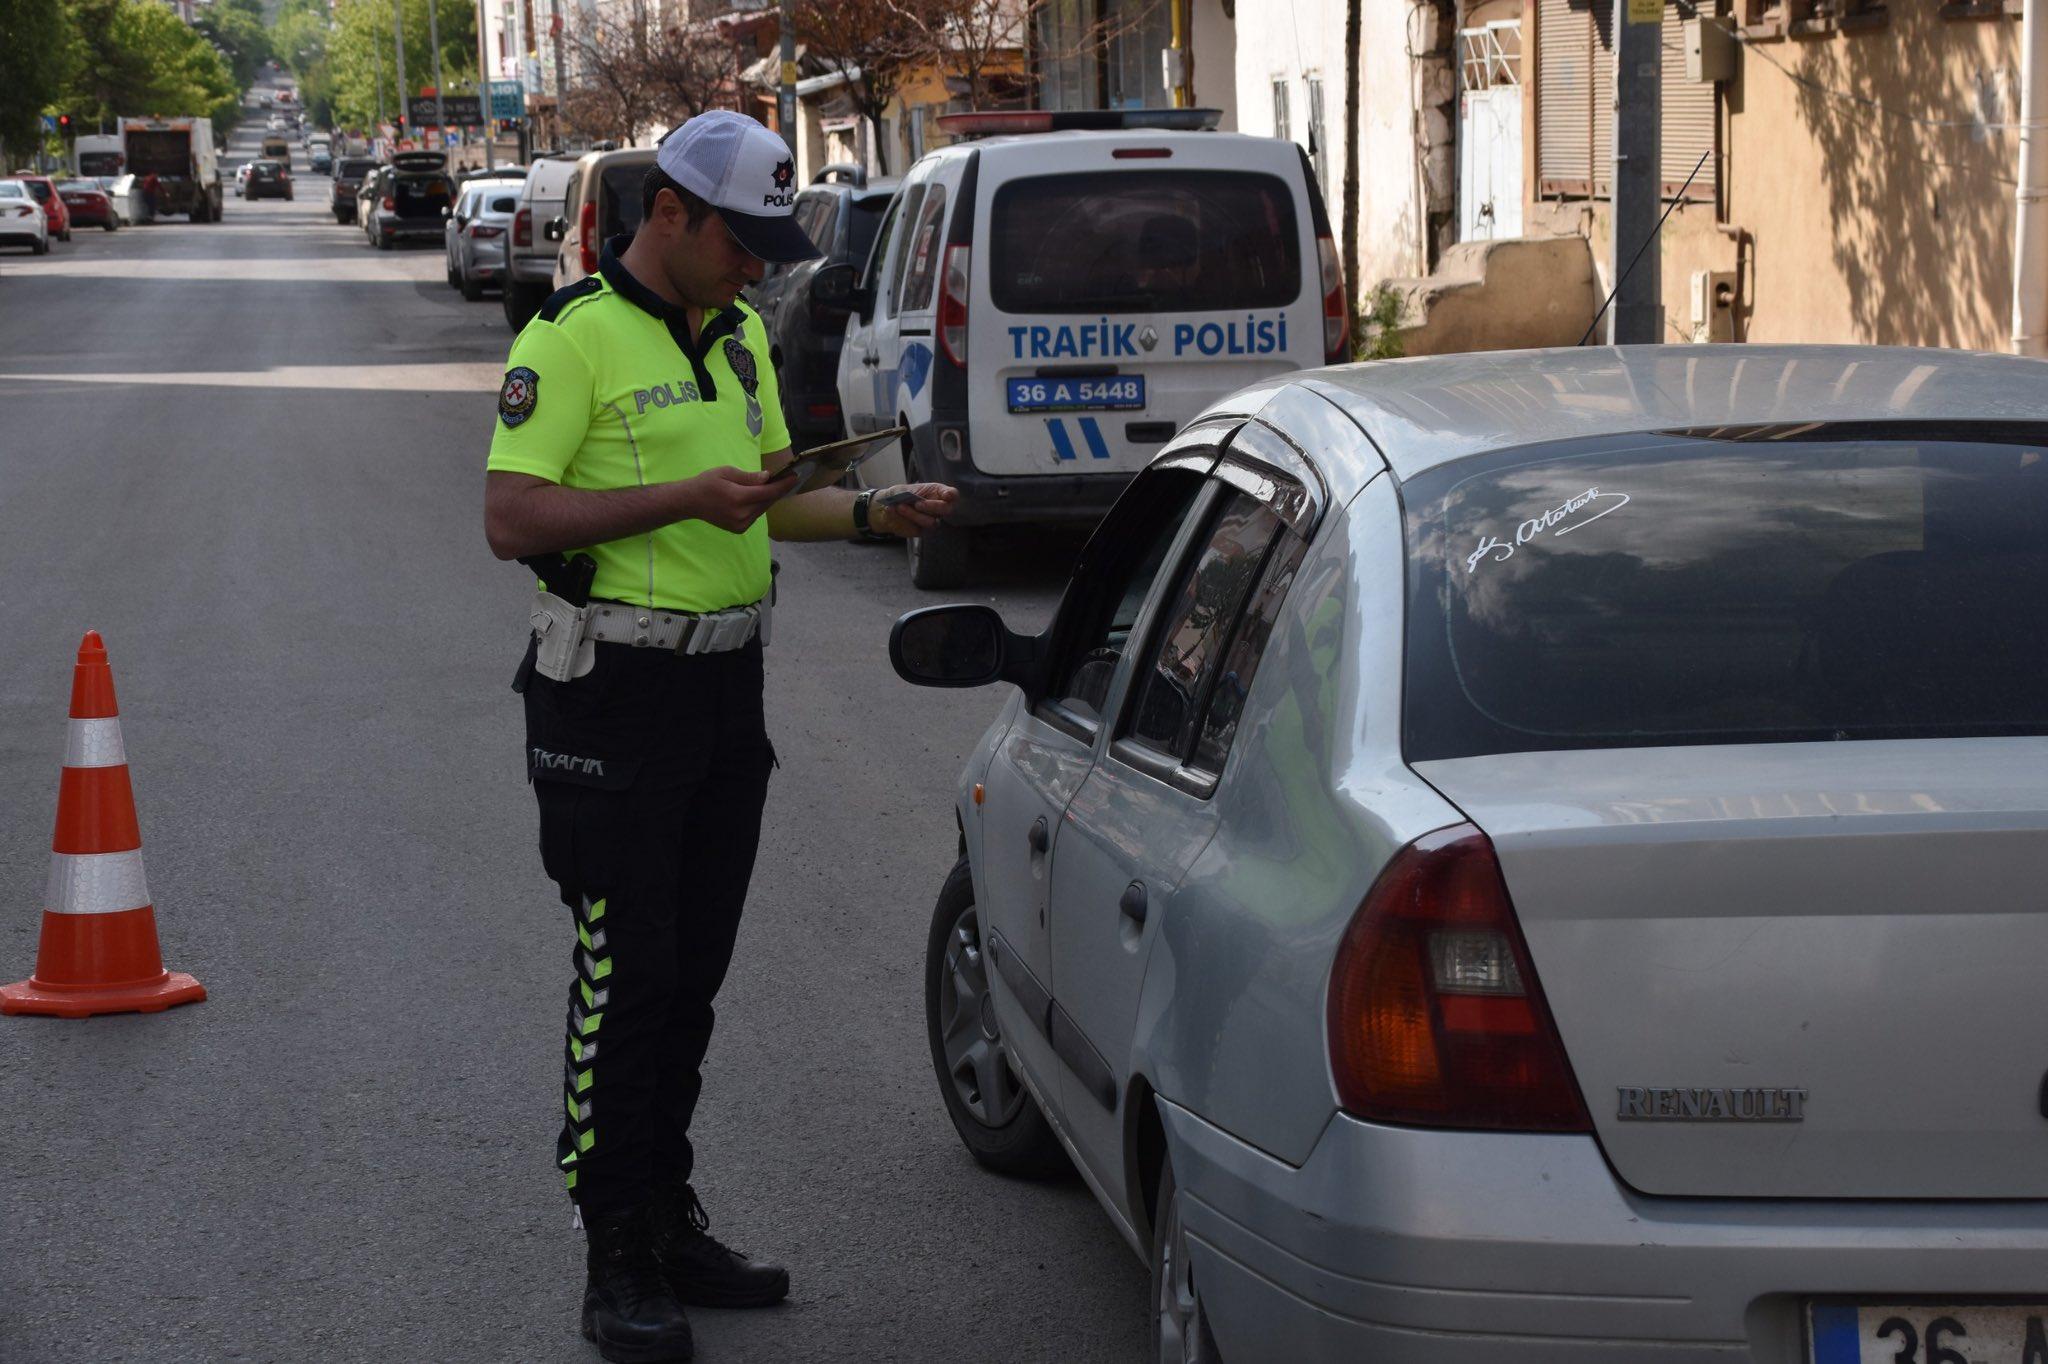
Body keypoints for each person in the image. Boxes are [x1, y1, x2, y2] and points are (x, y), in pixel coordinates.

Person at [482, 110, 958, 1364]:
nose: (759, 266)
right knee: (622, 977)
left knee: (690, 974)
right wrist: (682, 497)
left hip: (721, 693)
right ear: (671, 213)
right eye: (740, 241)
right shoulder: (570, 337)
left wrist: (867, 512)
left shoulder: (739, 332)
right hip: (610, 697)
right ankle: (614, 1250)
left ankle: (664, 1210)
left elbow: (764, 502)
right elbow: (513, 517)